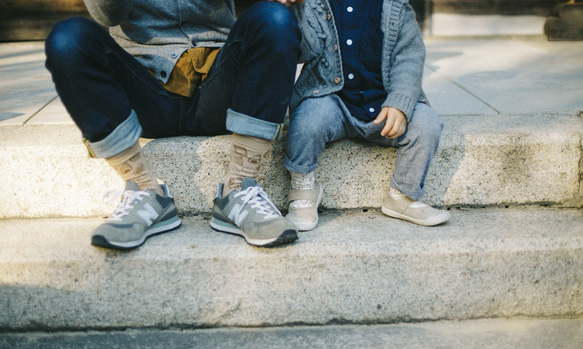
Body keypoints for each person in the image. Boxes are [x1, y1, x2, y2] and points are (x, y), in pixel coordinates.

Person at [45, 0, 304, 249]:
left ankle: (238, 187)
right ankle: (144, 189)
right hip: (145, 93)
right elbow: (108, 15)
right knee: (69, 38)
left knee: (274, 18)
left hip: (219, 91)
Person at [285, 0, 451, 231]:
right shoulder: (314, 5)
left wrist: (400, 104)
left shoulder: (396, 7)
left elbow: (409, 57)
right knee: (307, 121)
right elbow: (303, 51)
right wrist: (296, 12)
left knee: (427, 124)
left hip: (385, 106)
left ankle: (403, 195)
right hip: (331, 100)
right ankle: (303, 188)